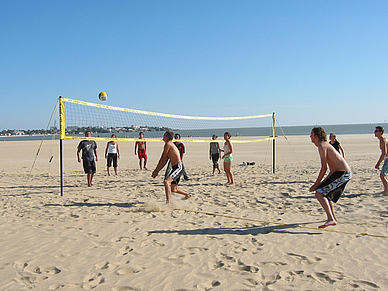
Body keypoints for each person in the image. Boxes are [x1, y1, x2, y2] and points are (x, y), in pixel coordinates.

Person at [309, 127, 352, 229]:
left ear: (316, 136)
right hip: (339, 172)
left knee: (319, 193)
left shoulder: (322, 146)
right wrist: (322, 182)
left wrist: (316, 184)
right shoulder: (324, 145)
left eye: (311, 134)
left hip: (343, 173)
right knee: (324, 193)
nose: (310, 136)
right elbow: (331, 170)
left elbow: (324, 168)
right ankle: (332, 218)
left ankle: (331, 219)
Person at [152, 131, 192, 205]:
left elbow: (162, 158)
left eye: (164, 135)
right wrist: (157, 170)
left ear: (167, 137)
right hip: (176, 167)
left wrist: (156, 171)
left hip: (178, 167)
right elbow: (165, 160)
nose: (163, 137)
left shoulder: (168, 144)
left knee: (166, 182)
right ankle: (187, 194)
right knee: (174, 189)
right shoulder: (169, 145)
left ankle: (168, 203)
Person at [374, 126, 388, 195]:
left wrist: (378, 163)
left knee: (382, 175)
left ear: (380, 132)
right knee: (383, 175)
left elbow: (384, 153)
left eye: (376, 131)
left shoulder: (383, 140)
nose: (375, 132)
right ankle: (386, 190)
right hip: (387, 159)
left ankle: (387, 191)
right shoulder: (381, 140)